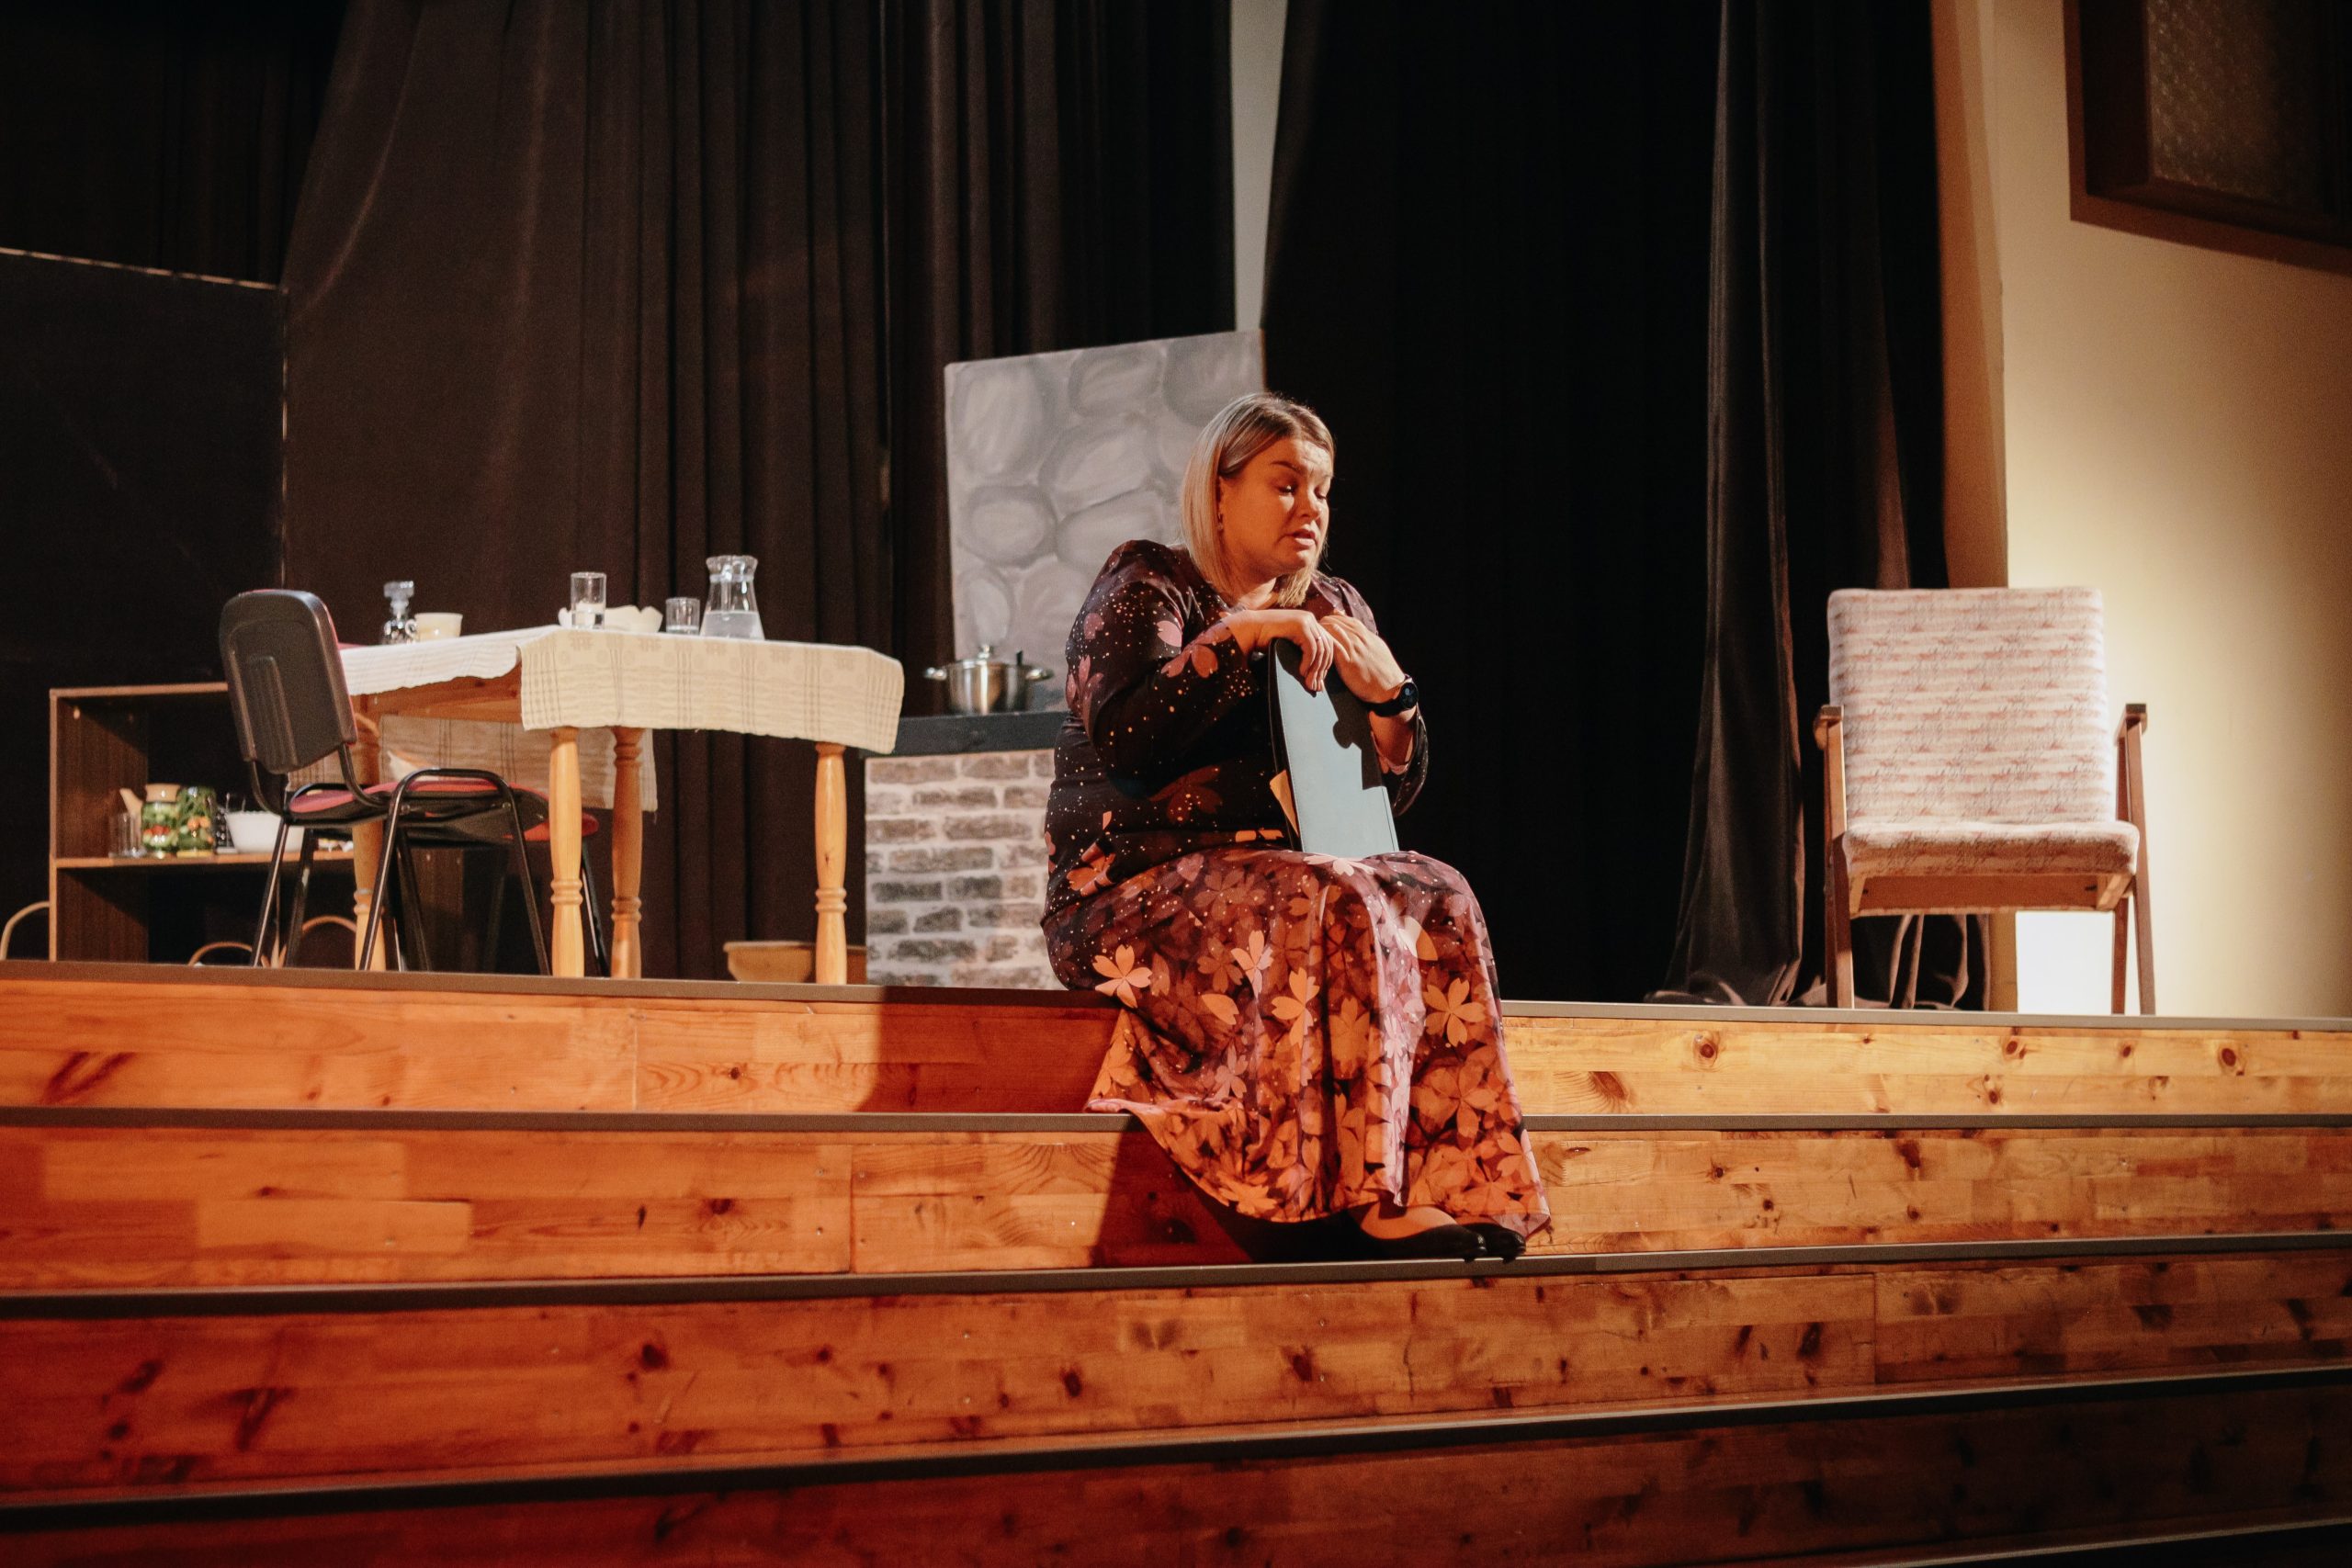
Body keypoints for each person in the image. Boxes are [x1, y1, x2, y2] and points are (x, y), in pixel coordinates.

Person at [1040, 391, 1551, 1260]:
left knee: (1439, 892)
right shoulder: (1151, 583)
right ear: (1220, 492)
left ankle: (1447, 1184)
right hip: (1126, 895)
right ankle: (1365, 1197)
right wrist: (1241, 635)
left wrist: (1396, 698)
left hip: (1290, 883)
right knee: (1321, 891)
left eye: (1322, 490)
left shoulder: (1335, 605)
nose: (1310, 508)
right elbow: (1127, 734)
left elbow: (1388, 787)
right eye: (1285, 485)